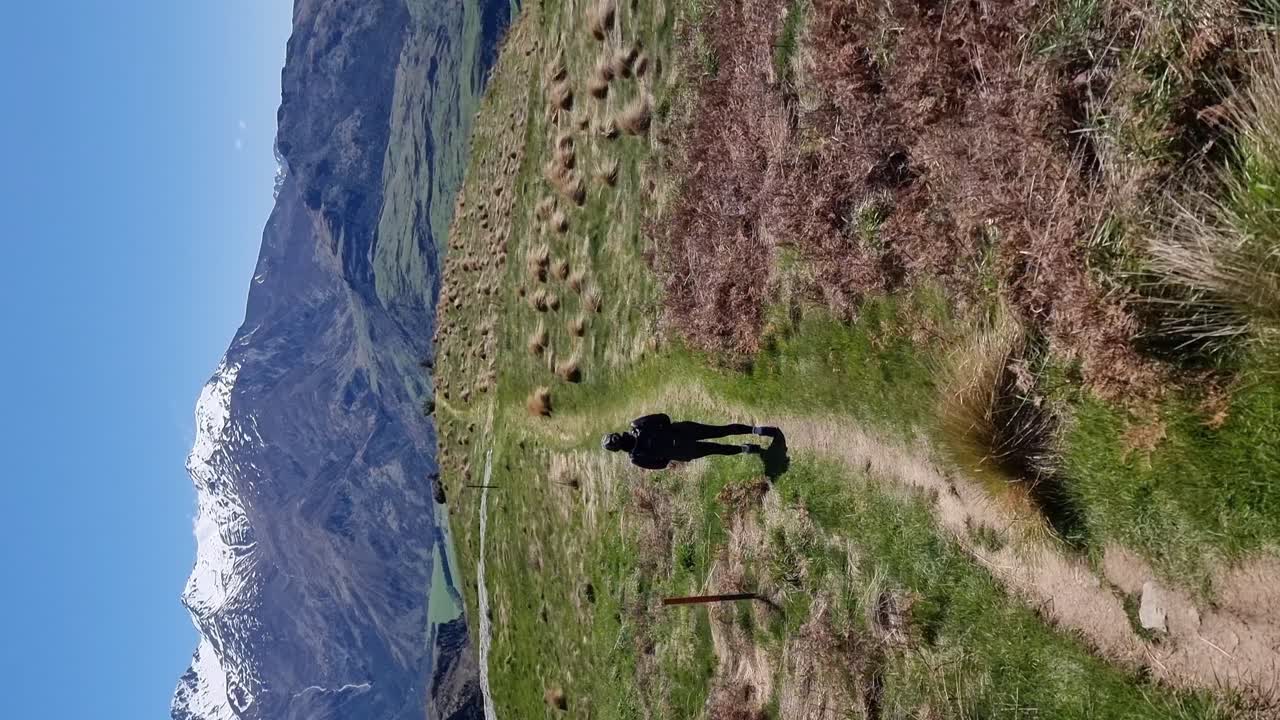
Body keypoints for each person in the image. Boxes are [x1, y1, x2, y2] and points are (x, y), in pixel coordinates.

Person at [601, 413, 779, 470]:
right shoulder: (637, 426)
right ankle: (758, 431)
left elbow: (661, 464)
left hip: (683, 451)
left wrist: (668, 451)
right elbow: (664, 417)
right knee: (721, 430)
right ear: (619, 435)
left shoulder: (636, 458)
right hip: (683, 431)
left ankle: (747, 449)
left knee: (718, 449)